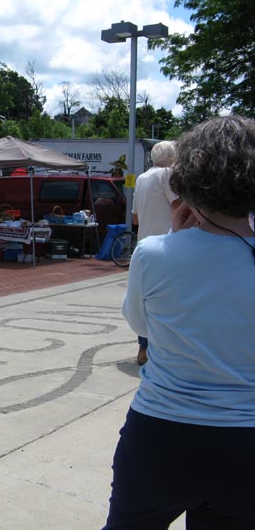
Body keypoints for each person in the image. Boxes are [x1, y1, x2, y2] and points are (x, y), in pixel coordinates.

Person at [104, 115, 255, 528]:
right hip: (245, 438)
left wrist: (174, 238)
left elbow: (141, 325)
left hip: (161, 432)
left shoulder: (154, 253)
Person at [130, 140, 178, 365]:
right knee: (167, 300)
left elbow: (135, 218)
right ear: (171, 159)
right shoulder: (167, 175)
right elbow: (179, 205)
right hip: (168, 245)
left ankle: (144, 347)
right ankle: (163, 348)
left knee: (146, 299)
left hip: (144, 246)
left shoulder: (141, 178)